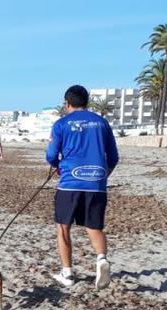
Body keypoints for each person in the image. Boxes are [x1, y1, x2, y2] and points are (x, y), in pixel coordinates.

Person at [45, 85, 118, 289]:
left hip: (70, 183)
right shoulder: (102, 123)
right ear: (87, 102)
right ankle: (102, 259)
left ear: (67, 103)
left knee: (63, 227)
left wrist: (56, 166)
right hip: (96, 184)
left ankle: (67, 273)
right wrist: (102, 176)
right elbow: (113, 157)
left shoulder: (61, 124)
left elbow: (51, 154)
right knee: (94, 227)